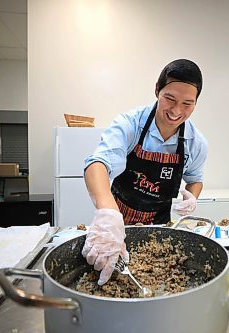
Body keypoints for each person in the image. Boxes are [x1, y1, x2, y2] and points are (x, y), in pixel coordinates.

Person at [81, 59, 208, 285]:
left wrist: (192, 197)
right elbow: (97, 164)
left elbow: (195, 179)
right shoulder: (130, 124)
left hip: (159, 225)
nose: (177, 111)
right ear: (157, 90)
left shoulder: (196, 143)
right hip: (118, 221)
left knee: (162, 280)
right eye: (170, 99)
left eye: (187, 104)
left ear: (196, 103)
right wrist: (108, 216)